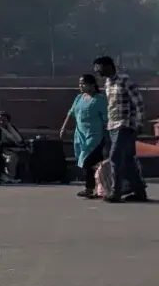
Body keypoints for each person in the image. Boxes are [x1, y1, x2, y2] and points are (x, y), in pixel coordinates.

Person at [97, 56, 149, 203]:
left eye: (98, 67)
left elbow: (139, 103)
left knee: (115, 157)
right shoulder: (107, 83)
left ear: (107, 66)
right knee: (127, 160)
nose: (97, 71)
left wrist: (138, 123)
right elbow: (111, 106)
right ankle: (140, 192)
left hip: (125, 124)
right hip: (113, 125)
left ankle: (116, 192)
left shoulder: (124, 80)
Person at [60, 73, 109, 199]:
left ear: (92, 85)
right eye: (80, 83)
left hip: (94, 136)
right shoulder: (79, 98)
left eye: (83, 83)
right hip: (80, 134)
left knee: (87, 160)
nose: (80, 86)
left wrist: (108, 136)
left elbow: (105, 119)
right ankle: (99, 186)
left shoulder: (100, 99)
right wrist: (64, 127)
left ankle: (89, 188)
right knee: (88, 161)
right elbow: (71, 113)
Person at [0, 111, 29, 184]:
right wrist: (12, 145)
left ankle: (25, 176)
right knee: (12, 157)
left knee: (27, 153)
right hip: (0, 150)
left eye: (4, 120)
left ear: (8, 121)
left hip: (13, 148)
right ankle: (10, 177)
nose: (1, 122)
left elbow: (19, 139)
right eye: (0, 120)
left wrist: (19, 145)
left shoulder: (11, 127)